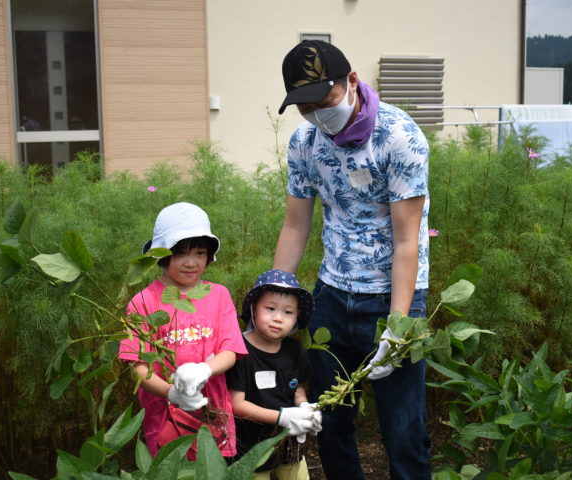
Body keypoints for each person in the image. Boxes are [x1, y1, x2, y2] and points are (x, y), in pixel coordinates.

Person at [273, 40, 431, 480]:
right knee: (332, 425)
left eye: (324, 100)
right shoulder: (305, 142)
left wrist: (398, 328)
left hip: (394, 297)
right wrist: (272, 297)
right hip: (332, 295)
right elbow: (295, 225)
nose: (318, 115)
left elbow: (406, 241)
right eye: (305, 107)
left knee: (404, 430)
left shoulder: (399, 137)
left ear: (352, 82)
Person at [118, 202, 248, 458]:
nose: (191, 262)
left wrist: (205, 369)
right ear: (162, 254)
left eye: (200, 253)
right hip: (166, 417)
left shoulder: (218, 295)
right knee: (173, 468)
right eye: (181, 254)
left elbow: (231, 350)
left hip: (213, 412)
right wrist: (173, 393)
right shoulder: (143, 302)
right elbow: (137, 367)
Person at [226, 269, 322, 480]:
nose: (278, 318)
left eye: (288, 312)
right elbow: (236, 404)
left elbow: (297, 386)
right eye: (270, 308)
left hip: (289, 444)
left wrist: (304, 406)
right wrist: (282, 416)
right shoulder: (239, 351)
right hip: (251, 448)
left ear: (297, 317)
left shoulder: (295, 351)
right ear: (253, 309)